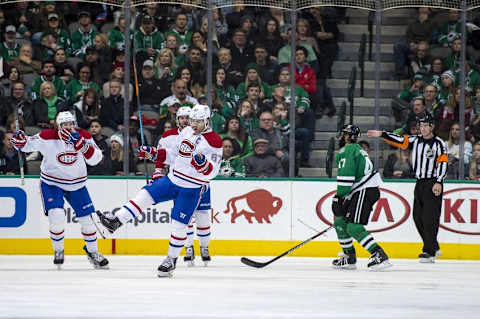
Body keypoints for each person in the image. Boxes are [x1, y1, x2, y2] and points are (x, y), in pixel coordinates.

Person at [97, 104, 222, 277]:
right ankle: (116, 221)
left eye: (198, 121)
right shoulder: (186, 132)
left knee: (179, 225)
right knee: (145, 194)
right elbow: (172, 154)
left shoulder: (214, 141)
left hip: (191, 188)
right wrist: (153, 153)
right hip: (172, 179)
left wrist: (201, 164)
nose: (193, 124)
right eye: (192, 120)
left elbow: (213, 172)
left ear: (207, 121)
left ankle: (170, 260)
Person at [10, 111, 109, 269]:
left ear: (74, 124)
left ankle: (93, 252)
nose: (68, 127)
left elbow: (95, 159)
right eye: (64, 125)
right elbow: (28, 144)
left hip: (77, 184)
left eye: (70, 124)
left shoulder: (83, 135)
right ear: (58, 126)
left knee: (88, 222)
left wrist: (83, 146)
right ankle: (59, 250)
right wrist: (20, 141)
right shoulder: (48, 136)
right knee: (56, 217)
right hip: (52, 183)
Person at [367, 113, 447, 263]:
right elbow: (399, 140)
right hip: (420, 183)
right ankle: (433, 246)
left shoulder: (439, 144)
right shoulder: (415, 141)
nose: (422, 129)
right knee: (417, 216)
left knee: (430, 218)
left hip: (432, 183)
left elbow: (443, 163)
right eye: (420, 126)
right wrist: (382, 134)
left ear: (432, 127)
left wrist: (439, 181)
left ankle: (429, 251)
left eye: (425, 126)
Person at [331, 124, 391, 271]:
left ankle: (379, 254)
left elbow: (347, 177)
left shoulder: (347, 150)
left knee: (353, 226)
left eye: (343, 134)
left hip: (364, 190)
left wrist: (339, 196)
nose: (340, 137)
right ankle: (349, 257)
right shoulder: (356, 149)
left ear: (347, 136)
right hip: (360, 190)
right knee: (340, 220)